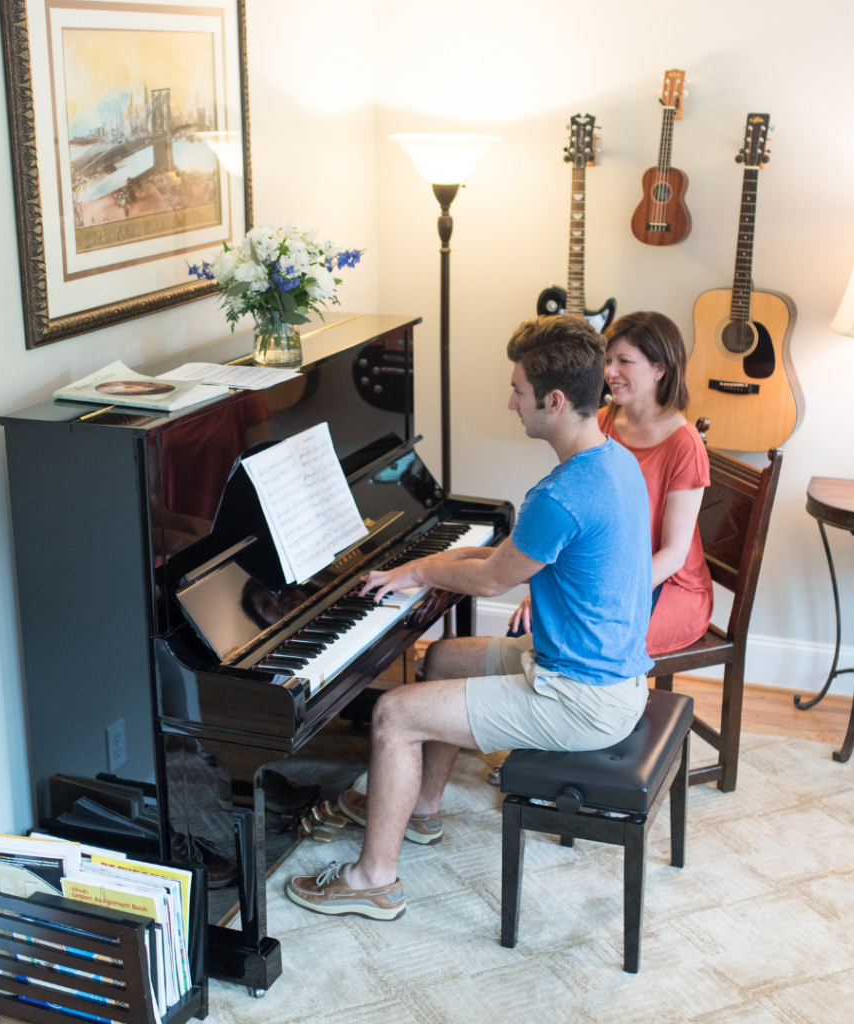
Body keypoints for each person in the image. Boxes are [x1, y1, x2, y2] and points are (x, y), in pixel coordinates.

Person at [284, 314, 655, 922]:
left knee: (393, 712)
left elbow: (491, 578)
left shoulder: (559, 495)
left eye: (519, 390)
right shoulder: (613, 463)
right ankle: (422, 807)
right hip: (600, 672)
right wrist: (425, 561)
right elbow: (507, 556)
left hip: (583, 699)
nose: (511, 402)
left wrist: (424, 571)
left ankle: (373, 879)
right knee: (440, 658)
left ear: (555, 400)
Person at [509, 310, 712, 655]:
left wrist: (594, 599)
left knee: (580, 641)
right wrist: (549, 594)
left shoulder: (685, 443)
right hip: (606, 572)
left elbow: (674, 555)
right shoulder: (600, 422)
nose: (609, 372)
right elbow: (578, 522)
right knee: (531, 629)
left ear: (660, 369)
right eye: (608, 360)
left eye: (624, 362)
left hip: (666, 585)